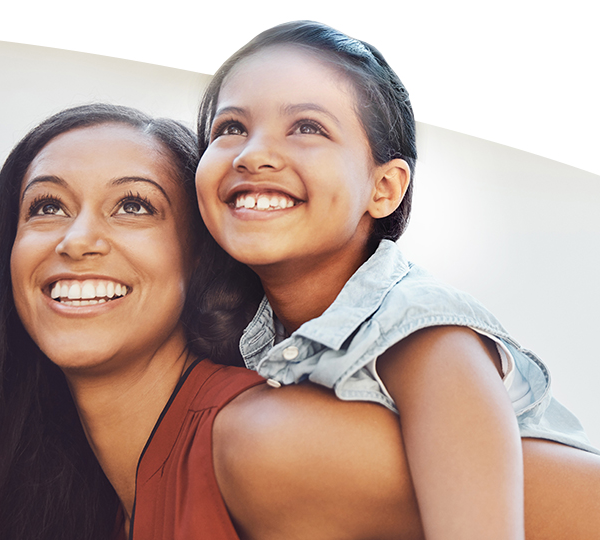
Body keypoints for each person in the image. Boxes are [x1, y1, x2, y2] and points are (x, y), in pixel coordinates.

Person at [0, 103, 427, 540]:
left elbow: (517, 496)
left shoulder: (260, 440)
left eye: (134, 206)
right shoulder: (74, 491)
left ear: (199, 258)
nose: (77, 241)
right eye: (47, 206)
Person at [195, 20, 600, 540]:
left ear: (384, 188)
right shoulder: (241, 337)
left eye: (307, 127)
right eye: (230, 127)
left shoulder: (423, 332)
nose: (252, 154)